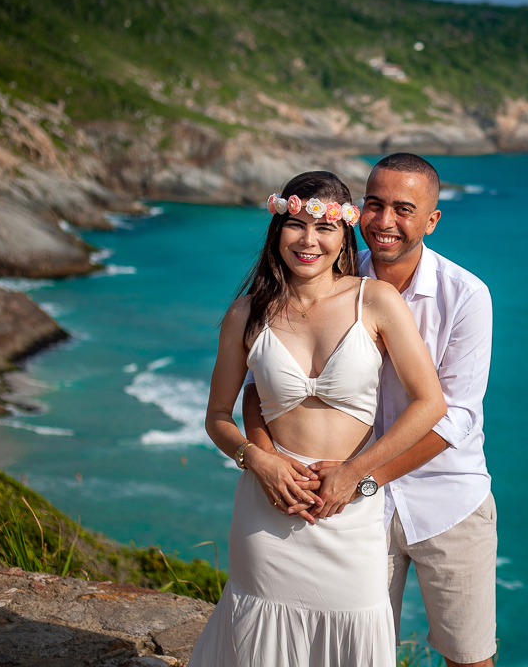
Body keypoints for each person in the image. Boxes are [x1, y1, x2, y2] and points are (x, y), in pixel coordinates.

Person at [243, 153, 497, 667]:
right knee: (349, 650)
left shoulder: (466, 295)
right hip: (344, 508)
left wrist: (361, 477)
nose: (385, 221)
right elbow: (260, 381)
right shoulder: (326, 271)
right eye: (375, 204)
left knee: (469, 657)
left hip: (445, 497)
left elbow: (456, 417)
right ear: (357, 210)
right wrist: (267, 460)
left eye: (404, 209)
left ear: (432, 220)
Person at [190, 170, 447, 667]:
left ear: (343, 234)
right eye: (296, 225)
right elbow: (218, 416)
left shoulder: (376, 300)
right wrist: (259, 462)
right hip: (268, 510)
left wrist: (354, 473)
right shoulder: (246, 313)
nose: (308, 241)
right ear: (277, 230)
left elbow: (430, 404)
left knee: (355, 629)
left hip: (350, 510)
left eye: (324, 227)